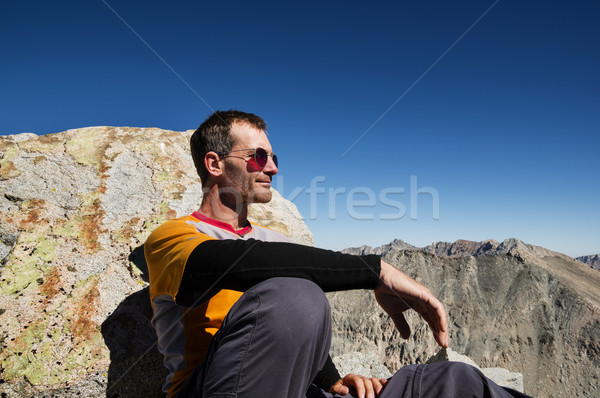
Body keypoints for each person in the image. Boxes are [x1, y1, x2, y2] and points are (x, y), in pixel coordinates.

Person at [144, 110, 531, 398]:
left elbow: (287, 326)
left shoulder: (274, 241)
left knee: (456, 383)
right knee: (295, 293)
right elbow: (238, 266)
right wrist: (374, 270)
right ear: (215, 163)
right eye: (259, 157)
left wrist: (332, 379)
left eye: (275, 158)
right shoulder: (174, 238)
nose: (274, 169)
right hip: (208, 388)